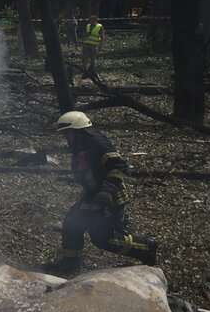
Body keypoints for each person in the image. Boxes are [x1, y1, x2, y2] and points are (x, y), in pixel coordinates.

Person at [46, 111, 157, 276]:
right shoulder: (81, 145)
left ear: (79, 130)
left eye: (67, 133)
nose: (65, 137)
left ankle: (146, 248)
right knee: (71, 223)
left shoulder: (97, 143)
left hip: (110, 198)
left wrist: (106, 191)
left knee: (103, 239)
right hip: (92, 195)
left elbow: (119, 166)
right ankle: (70, 263)